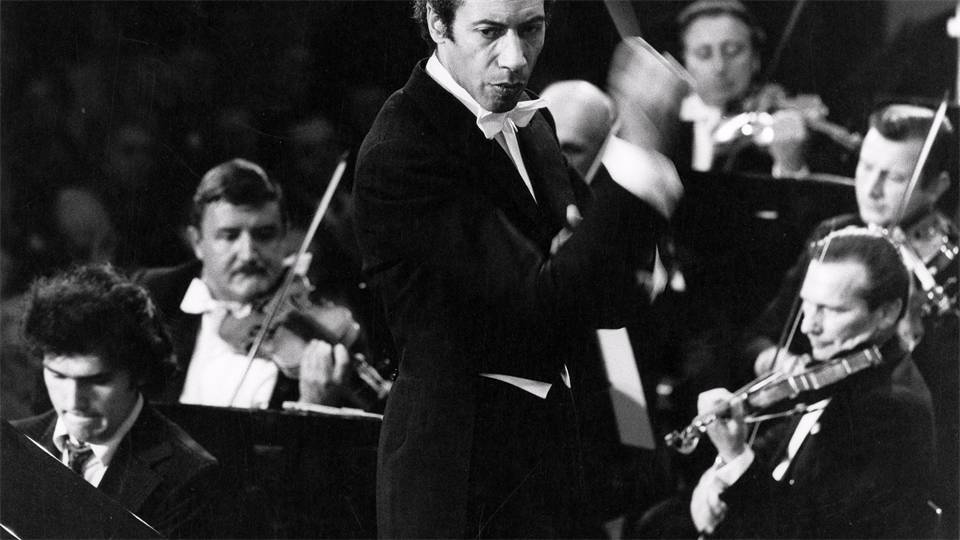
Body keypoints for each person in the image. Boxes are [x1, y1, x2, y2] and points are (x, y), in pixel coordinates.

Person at [353, 0, 684, 537]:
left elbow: (607, 298)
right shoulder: (404, 149)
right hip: (460, 484)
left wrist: (576, 265)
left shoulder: (532, 119)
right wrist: (640, 154)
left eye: (531, 29)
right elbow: (542, 306)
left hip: (548, 463)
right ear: (437, 22)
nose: (516, 58)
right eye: (490, 31)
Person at [742, 103, 958, 537]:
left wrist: (914, 330)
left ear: (936, 187)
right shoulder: (834, 239)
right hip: (801, 437)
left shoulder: (951, 271)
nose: (871, 190)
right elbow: (761, 335)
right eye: (865, 167)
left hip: (889, 461)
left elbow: (942, 407)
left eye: (893, 178)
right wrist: (782, 365)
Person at [687, 230, 935, 537]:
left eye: (831, 310)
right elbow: (789, 442)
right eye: (807, 304)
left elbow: (808, 530)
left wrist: (737, 457)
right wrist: (716, 477)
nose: (808, 326)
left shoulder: (892, 408)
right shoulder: (843, 365)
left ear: (887, 313)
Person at [138, 158, 370, 409]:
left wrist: (312, 405)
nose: (248, 254)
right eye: (229, 236)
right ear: (197, 242)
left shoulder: (322, 321)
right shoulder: (154, 294)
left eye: (264, 235)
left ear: (284, 235)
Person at [11, 264, 221, 538]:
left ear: (139, 371)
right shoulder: (10, 444)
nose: (74, 401)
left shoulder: (189, 476)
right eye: (58, 376)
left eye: (97, 380)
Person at [672, 0, 814, 176]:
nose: (719, 66)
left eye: (732, 51)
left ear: (755, 59)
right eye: (704, 54)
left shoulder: (771, 117)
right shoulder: (669, 121)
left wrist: (790, 165)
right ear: (685, 60)